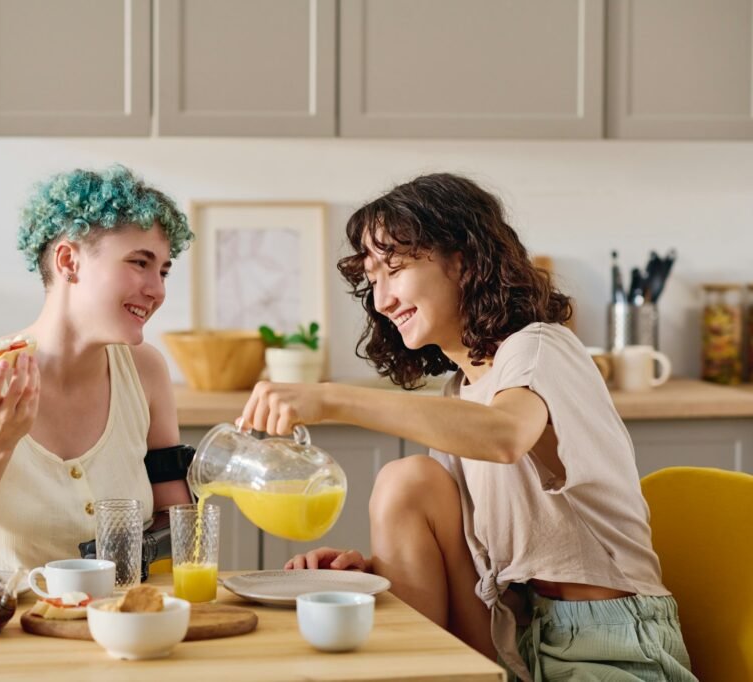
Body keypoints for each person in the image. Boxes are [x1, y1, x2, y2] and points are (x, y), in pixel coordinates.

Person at [240, 174, 694, 681]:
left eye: (396, 268)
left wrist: (328, 398)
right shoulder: (460, 391)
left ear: (463, 259)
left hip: (609, 644)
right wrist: (370, 573)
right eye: (374, 281)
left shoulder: (541, 346)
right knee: (408, 481)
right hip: (516, 634)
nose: (383, 300)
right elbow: (470, 554)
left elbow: (504, 435)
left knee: (408, 478)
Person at [0, 165, 195, 572]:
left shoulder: (146, 371)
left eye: (163, 270)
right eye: (139, 263)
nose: (157, 290)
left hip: (122, 625)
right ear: (68, 260)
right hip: (6, 630)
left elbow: (178, 526)